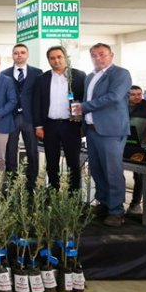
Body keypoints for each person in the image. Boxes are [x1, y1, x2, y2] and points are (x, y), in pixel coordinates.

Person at [76, 43, 133, 227]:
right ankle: (104, 204)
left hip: (111, 131)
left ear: (111, 55)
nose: (98, 58)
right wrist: (83, 124)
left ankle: (116, 211)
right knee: (97, 169)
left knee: (112, 171)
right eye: (94, 55)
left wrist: (83, 107)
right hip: (92, 130)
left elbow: (113, 97)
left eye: (102, 54)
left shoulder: (121, 74)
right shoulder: (90, 76)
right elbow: (86, 99)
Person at [32, 45, 86, 191]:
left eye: (59, 57)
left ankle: (74, 195)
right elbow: (36, 103)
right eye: (52, 58)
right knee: (51, 162)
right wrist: (38, 126)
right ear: (48, 60)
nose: (56, 61)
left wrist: (83, 126)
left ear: (65, 57)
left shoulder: (79, 76)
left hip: (72, 125)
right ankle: (52, 192)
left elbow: (86, 101)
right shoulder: (42, 79)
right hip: (50, 126)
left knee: (73, 162)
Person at [2, 44, 42, 187]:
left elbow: (40, 97)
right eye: (16, 53)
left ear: (27, 54)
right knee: (10, 151)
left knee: (32, 151)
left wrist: (40, 122)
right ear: (12, 55)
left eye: (22, 52)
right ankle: (12, 183)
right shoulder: (4, 74)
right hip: (11, 117)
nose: (19, 55)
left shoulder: (37, 73)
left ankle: (31, 183)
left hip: (29, 118)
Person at [127, 85, 146, 214]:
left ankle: (135, 205)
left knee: (139, 176)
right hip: (121, 146)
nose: (137, 97)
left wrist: (145, 143)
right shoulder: (120, 108)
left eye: (139, 94)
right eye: (133, 94)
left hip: (140, 147)